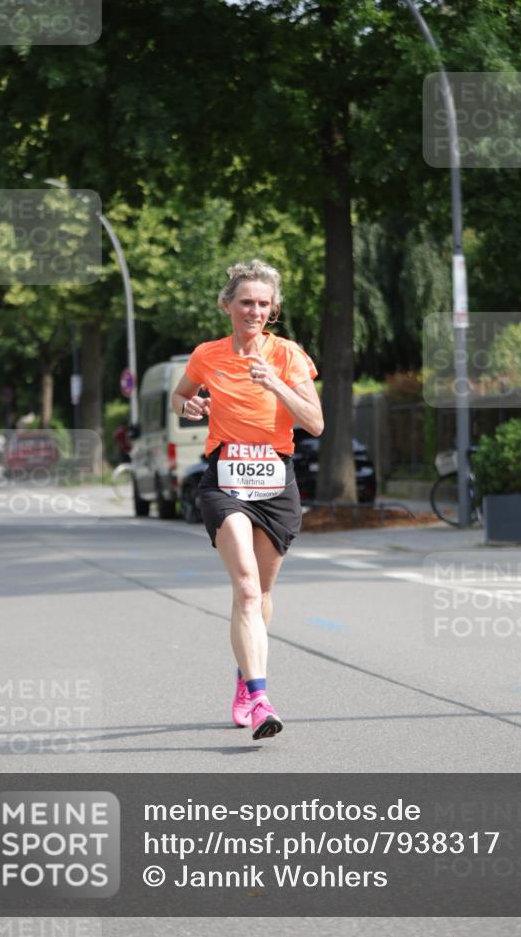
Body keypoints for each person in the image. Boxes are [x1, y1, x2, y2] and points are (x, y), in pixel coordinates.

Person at [172, 260, 323, 741]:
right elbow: (180, 396)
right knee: (245, 586)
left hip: (276, 481)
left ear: (273, 310)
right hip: (225, 480)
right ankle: (260, 698)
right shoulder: (207, 355)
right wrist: (189, 405)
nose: (254, 311)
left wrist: (275, 383)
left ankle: (244, 676)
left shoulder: (289, 356)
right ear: (227, 306)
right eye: (245, 302)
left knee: (263, 595)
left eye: (263, 304)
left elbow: (315, 423)